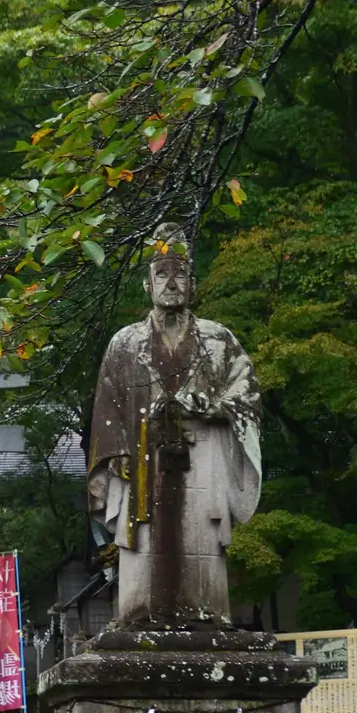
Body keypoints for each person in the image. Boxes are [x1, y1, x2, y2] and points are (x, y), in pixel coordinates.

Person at [86, 229, 263, 627]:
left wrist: (212, 407)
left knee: (200, 549)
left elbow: (247, 397)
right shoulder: (125, 344)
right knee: (145, 563)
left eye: (179, 273)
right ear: (147, 284)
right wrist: (116, 459)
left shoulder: (219, 341)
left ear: (193, 284)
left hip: (204, 461)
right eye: (161, 273)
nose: (170, 282)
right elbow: (106, 414)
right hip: (143, 467)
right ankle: (140, 614)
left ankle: (207, 612)